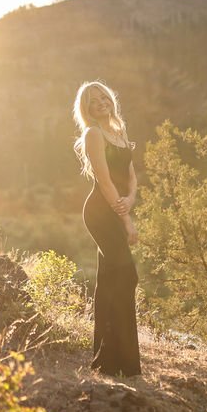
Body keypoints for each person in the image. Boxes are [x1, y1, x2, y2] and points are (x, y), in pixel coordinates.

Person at [72, 81, 141, 377]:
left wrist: (131, 199)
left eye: (103, 97)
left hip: (118, 204)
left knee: (112, 279)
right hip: (101, 212)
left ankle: (111, 361)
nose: (100, 102)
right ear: (86, 109)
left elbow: (130, 176)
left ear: (110, 99)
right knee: (127, 275)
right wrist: (126, 218)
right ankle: (115, 358)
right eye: (92, 100)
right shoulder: (93, 134)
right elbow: (104, 179)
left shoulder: (119, 132)